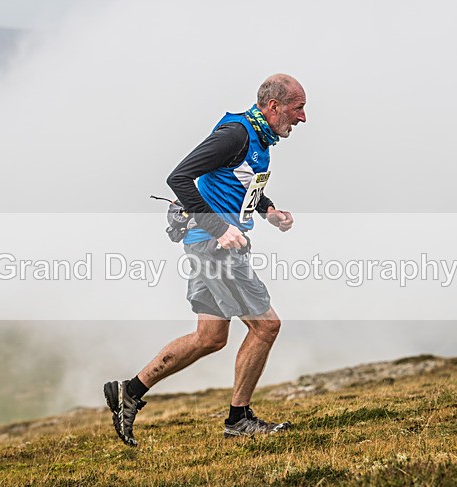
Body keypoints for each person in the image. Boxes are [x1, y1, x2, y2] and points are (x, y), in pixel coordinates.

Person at [104, 74, 307, 446]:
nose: (303, 117)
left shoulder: (259, 138)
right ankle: (238, 420)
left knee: (210, 337)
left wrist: (268, 210)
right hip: (215, 247)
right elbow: (179, 177)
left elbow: (240, 183)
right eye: (298, 108)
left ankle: (129, 391)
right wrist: (219, 229)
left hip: (209, 245)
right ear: (274, 106)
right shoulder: (236, 134)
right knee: (266, 326)